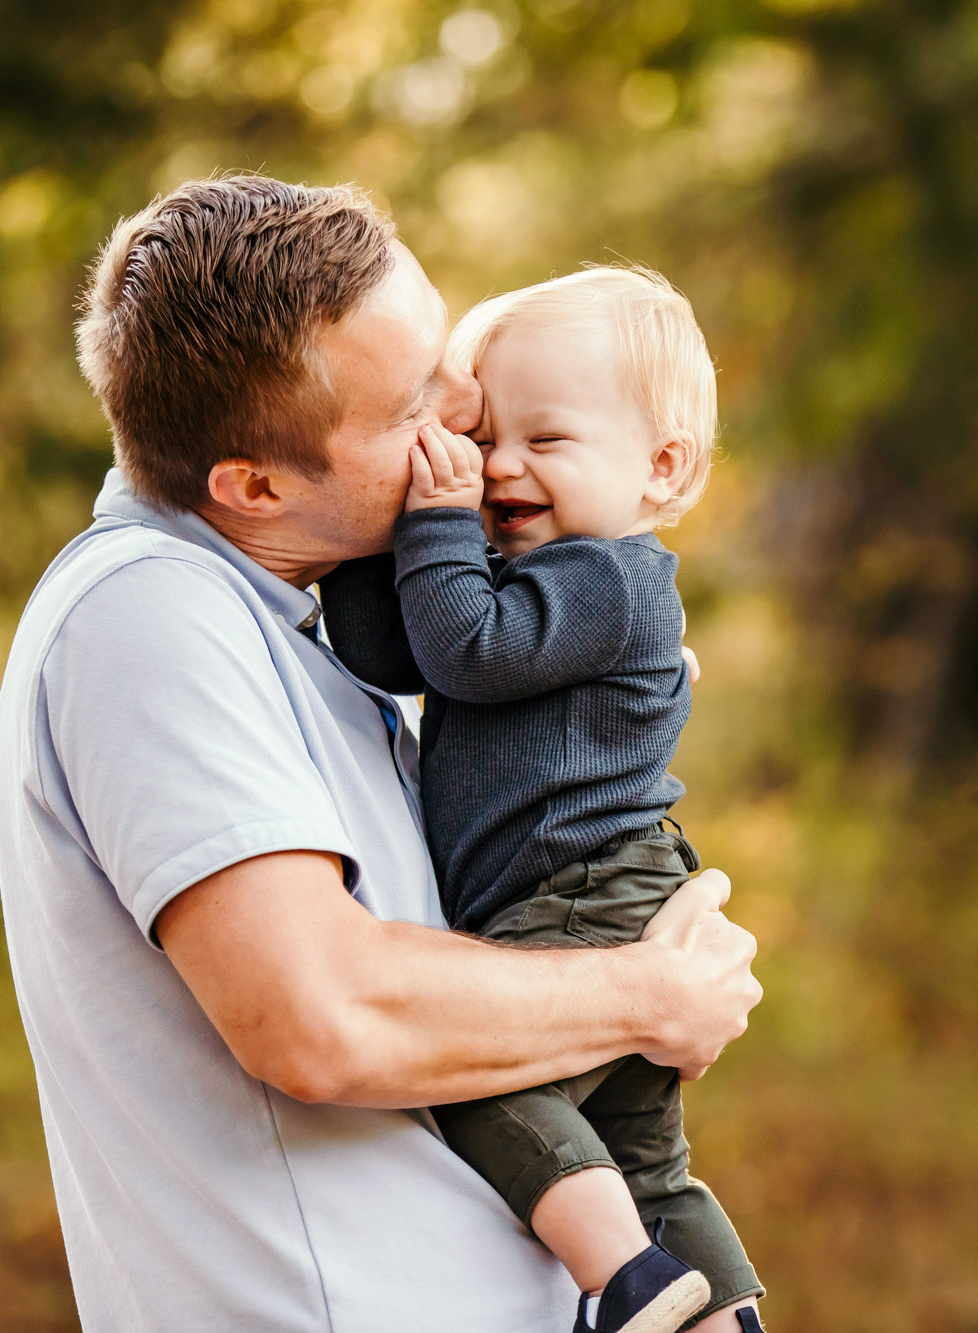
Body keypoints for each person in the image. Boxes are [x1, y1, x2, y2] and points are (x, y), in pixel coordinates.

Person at [0, 173, 763, 1333]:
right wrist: (647, 994)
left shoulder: (292, 614)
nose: (463, 424)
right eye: (414, 409)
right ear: (252, 485)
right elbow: (321, 1012)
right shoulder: (146, 616)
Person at [319, 268, 762, 1333]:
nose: (501, 466)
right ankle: (723, 1316)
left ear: (662, 468)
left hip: (582, 890)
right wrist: (362, 527)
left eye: (546, 441)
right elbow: (391, 648)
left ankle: (632, 1282)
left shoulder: (612, 581)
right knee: (641, 1152)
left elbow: (464, 651)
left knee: (475, 1081)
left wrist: (433, 518)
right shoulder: (529, 570)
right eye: (487, 440)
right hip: (572, 892)